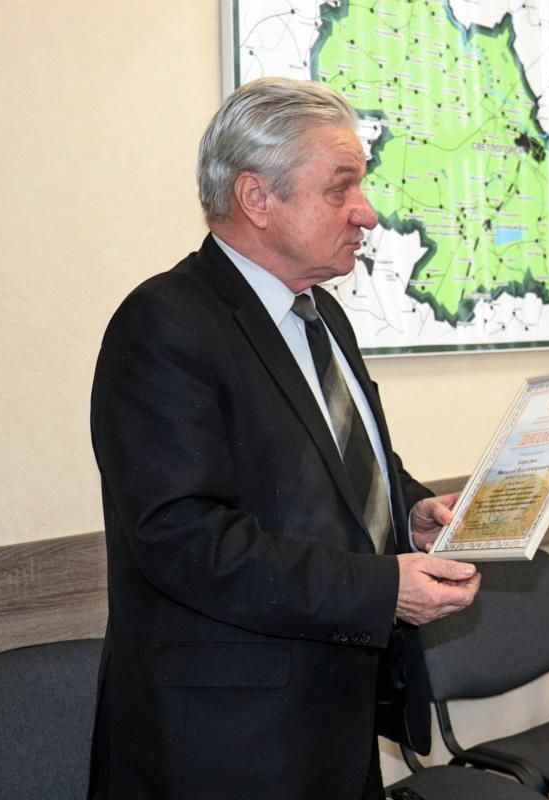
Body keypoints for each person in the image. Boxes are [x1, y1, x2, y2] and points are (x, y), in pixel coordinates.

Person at [88, 77, 481, 800]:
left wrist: (410, 511)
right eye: (341, 188)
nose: (366, 212)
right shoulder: (164, 324)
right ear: (256, 198)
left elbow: (343, 469)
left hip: (333, 719)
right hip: (228, 745)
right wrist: (383, 588)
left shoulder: (322, 316)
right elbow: (185, 539)